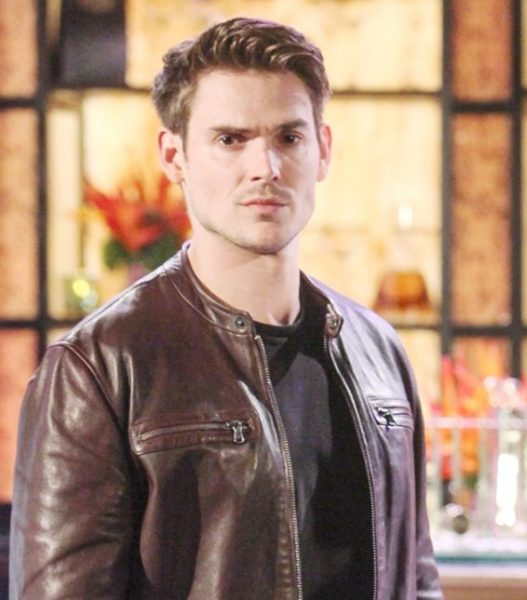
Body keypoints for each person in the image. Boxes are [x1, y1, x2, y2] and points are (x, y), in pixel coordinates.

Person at [10, 17, 443, 599]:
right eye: (230, 139)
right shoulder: (100, 366)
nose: (265, 167)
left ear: (323, 150)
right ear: (174, 155)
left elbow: (415, 577)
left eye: (288, 138)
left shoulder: (379, 353)